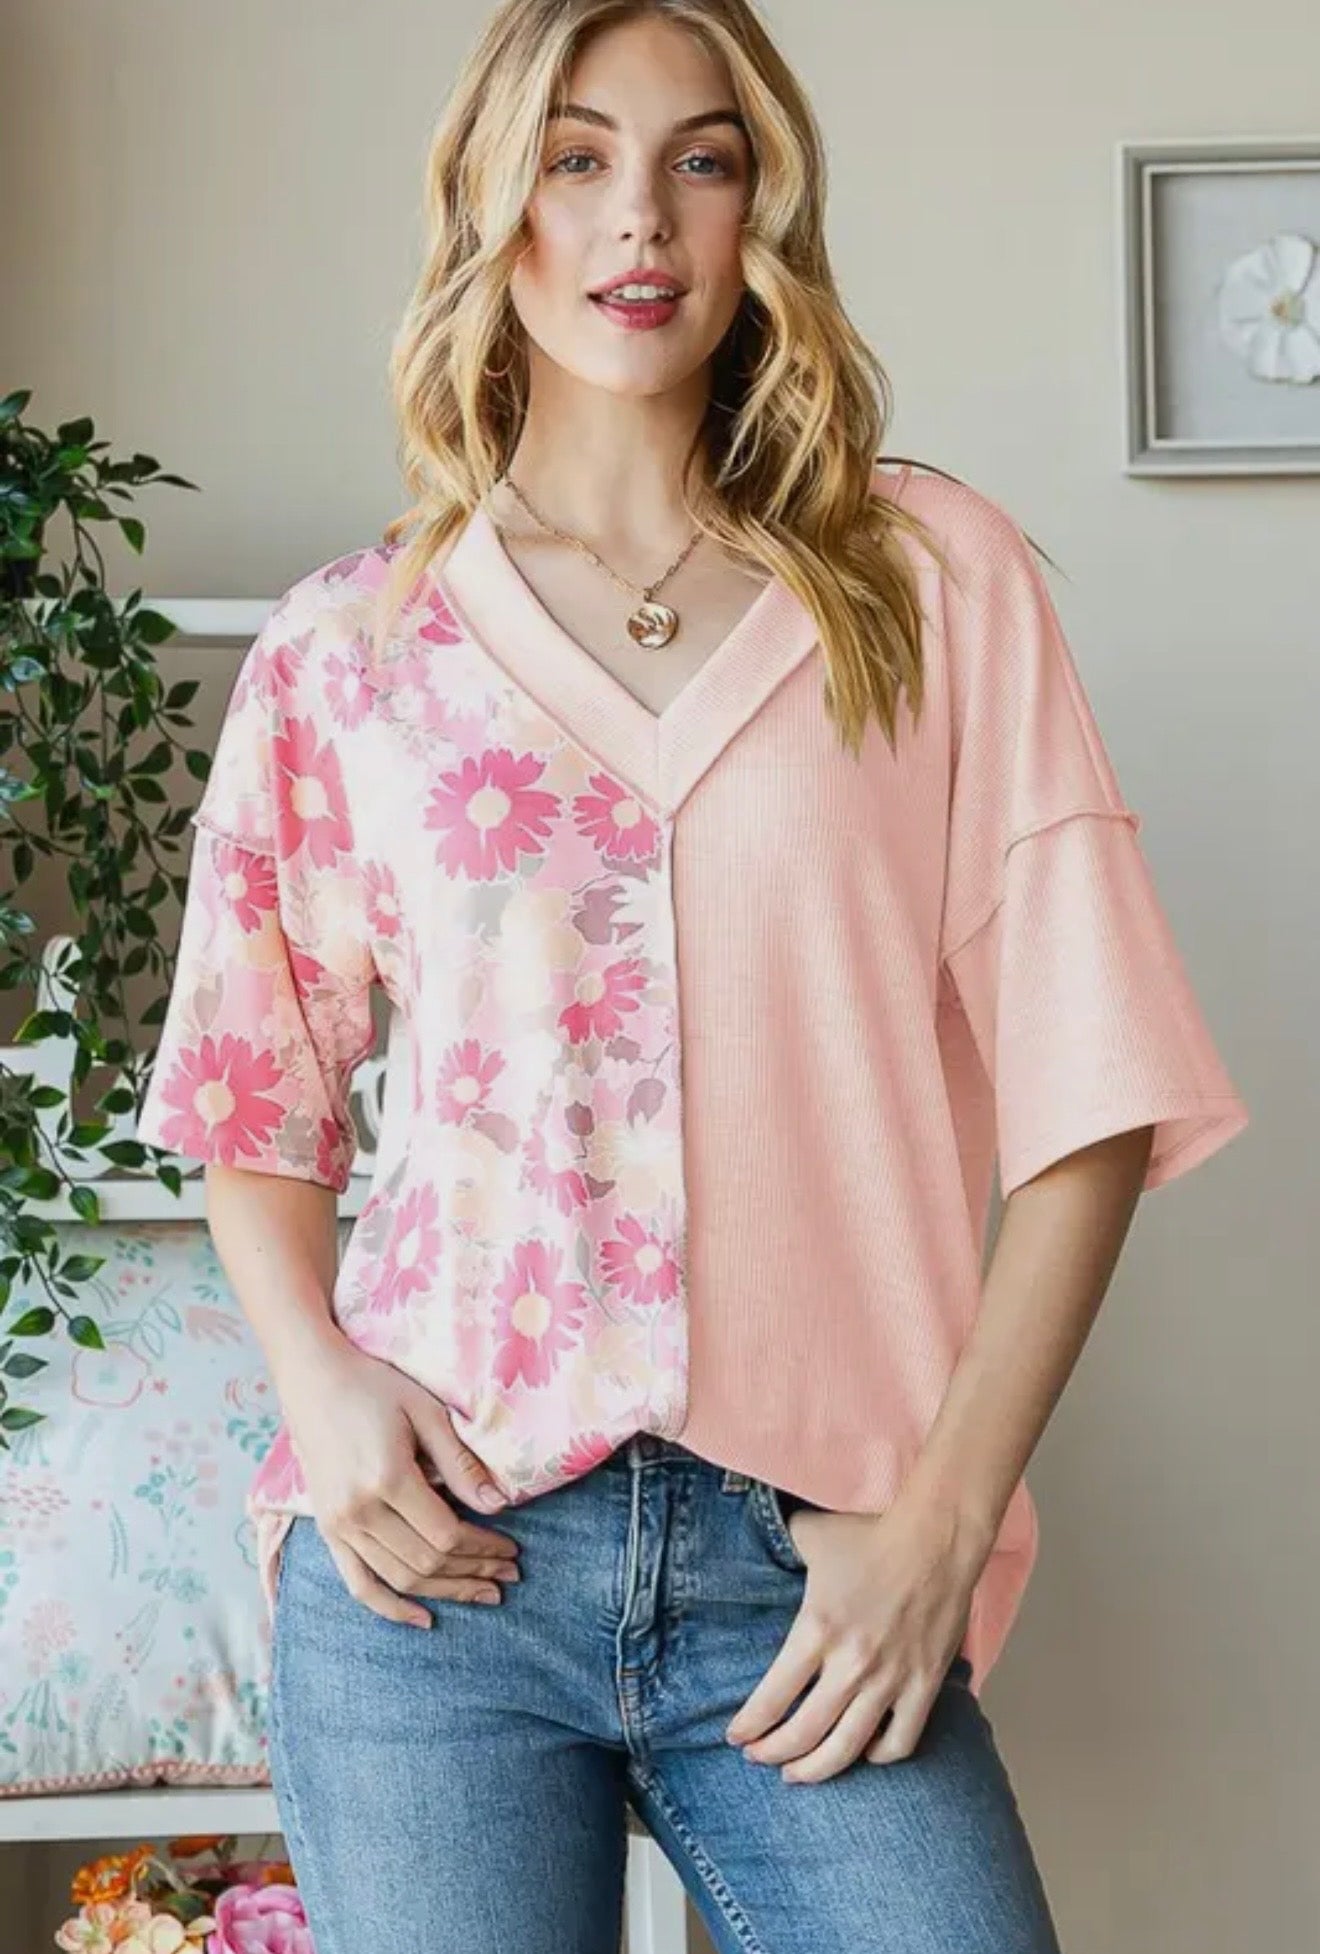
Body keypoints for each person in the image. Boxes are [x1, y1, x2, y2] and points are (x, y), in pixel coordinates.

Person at [136, 2, 1250, 1949]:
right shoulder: (351, 648)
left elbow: (1097, 1094)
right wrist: (321, 1384)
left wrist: (942, 1520)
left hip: (809, 1558)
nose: (639, 215)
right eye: (575, 158)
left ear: (760, 211)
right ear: (494, 206)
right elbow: (254, 1097)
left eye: (700, 158)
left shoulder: (930, 585)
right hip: (439, 1569)